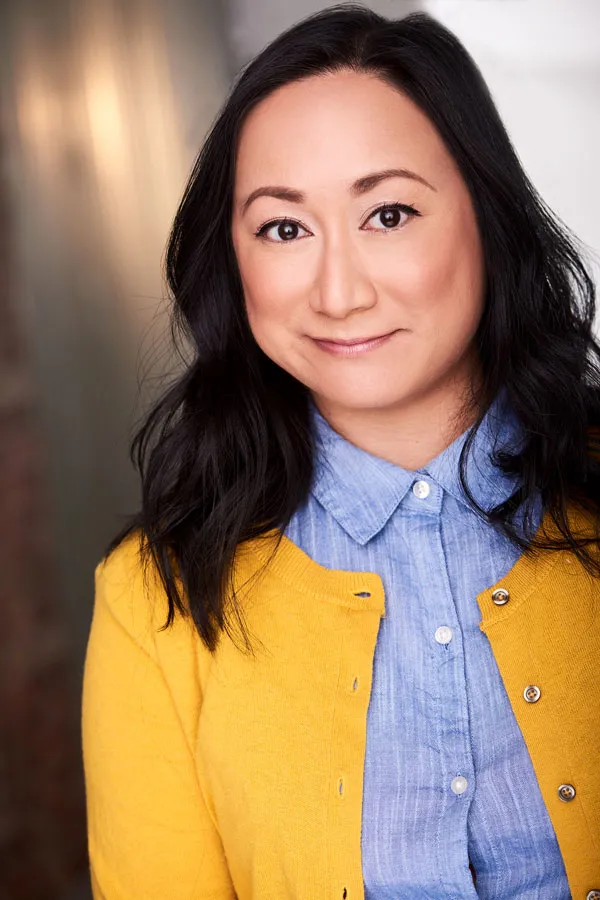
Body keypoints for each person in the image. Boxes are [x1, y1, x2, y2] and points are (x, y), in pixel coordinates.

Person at [82, 5, 600, 899]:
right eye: (284, 229)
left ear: (487, 216)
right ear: (233, 262)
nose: (338, 291)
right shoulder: (152, 599)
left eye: (388, 213)